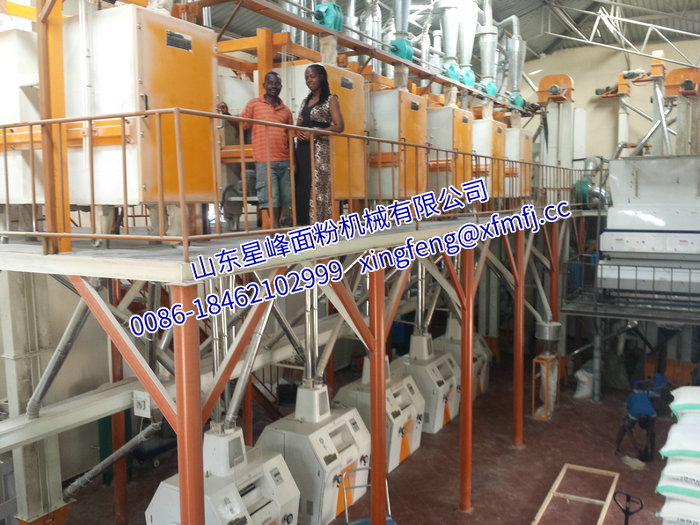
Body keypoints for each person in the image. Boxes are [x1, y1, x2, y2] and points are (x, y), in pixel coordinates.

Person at [228, 72, 293, 229]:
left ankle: (276, 227)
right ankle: (275, 228)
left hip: (284, 160)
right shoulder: (254, 105)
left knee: (283, 197)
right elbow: (241, 124)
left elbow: (291, 138)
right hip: (265, 160)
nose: (273, 86)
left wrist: (293, 162)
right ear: (264, 85)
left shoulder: (286, 111)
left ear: (281, 86)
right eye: (270, 83)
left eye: (277, 83)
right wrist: (226, 114)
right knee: (271, 195)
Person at [295, 64, 344, 225]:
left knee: (318, 188)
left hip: (320, 151)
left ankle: (320, 227)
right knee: (303, 187)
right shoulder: (305, 101)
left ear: (321, 77)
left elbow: (339, 126)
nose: (309, 80)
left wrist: (316, 132)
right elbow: (298, 124)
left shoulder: (331, 99)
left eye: (312, 76)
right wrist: (298, 131)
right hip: (303, 150)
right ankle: (304, 227)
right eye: (306, 78)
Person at [615, 391, 656, 462]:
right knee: (623, 426)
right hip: (633, 399)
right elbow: (628, 430)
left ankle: (652, 452)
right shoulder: (633, 416)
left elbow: (650, 430)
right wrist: (636, 448)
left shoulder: (652, 415)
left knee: (652, 432)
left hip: (645, 398)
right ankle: (617, 447)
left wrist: (647, 446)